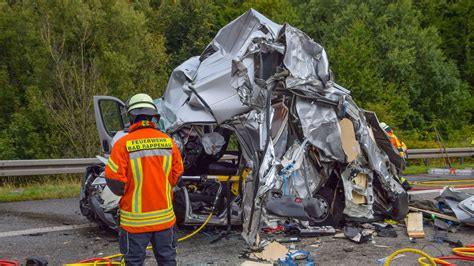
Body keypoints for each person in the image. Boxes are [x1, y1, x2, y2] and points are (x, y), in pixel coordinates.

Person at [105, 93, 184, 266]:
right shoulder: (168, 142)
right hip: (164, 220)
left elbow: (114, 181)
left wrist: (132, 190)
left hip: (134, 223)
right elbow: (177, 175)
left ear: (131, 117)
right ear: (153, 116)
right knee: (168, 261)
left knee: (133, 262)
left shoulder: (123, 144)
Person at [380, 122, 411, 190]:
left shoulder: (389, 137)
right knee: (396, 173)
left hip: (398, 157)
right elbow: (403, 146)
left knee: (395, 173)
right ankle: (405, 185)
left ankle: (403, 186)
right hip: (399, 157)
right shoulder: (392, 136)